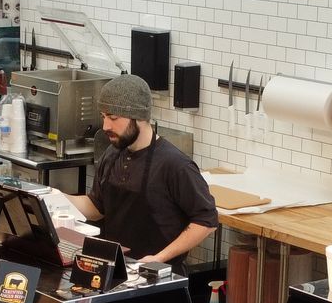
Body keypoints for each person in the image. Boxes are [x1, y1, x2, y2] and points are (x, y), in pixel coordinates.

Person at [64, 75, 218, 269]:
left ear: (139, 117)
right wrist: (55, 197)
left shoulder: (175, 164)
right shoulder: (112, 154)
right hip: (117, 269)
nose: (105, 126)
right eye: (103, 117)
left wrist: (159, 258)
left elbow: (207, 220)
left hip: (158, 277)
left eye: (113, 118)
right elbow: (96, 209)